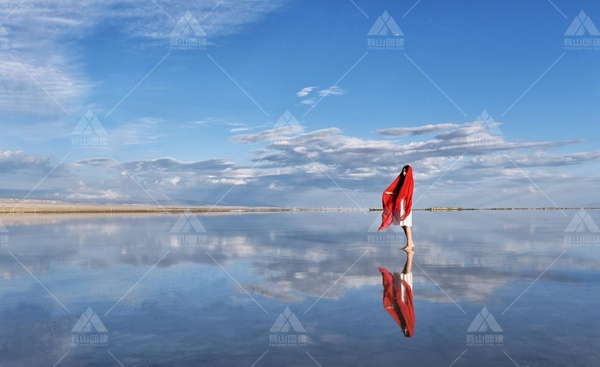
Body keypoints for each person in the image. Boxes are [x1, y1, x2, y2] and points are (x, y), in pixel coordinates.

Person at [378, 248, 415, 337]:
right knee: (406, 273)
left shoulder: (403, 321)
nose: (405, 330)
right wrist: (397, 301)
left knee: (404, 272)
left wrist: (392, 305)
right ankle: (410, 254)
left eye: (404, 332)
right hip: (404, 295)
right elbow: (404, 306)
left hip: (401, 295)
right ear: (409, 329)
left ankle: (409, 254)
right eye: (407, 331)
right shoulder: (408, 319)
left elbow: (397, 310)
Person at [378, 165, 415, 251]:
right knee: (403, 224)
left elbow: (406, 195)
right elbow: (399, 193)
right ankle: (410, 243)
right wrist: (389, 193)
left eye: (405, 171)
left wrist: (399, 199)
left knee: (406, 224)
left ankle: (410, 244)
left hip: (405, 205)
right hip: (401, 204)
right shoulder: (403, 182)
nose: (404, 173)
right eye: (403, 171)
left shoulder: (409, 182)